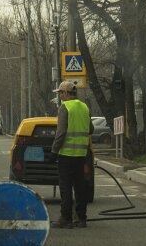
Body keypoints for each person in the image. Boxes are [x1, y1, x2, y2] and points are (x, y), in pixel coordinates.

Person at [50, 81, 93, 229]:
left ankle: (66, 218)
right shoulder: (84, 107)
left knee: (66, 187)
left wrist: (54, 152)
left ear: (67, 93)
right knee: (80, 187)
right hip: (81, 154)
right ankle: (81, 219)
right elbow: (91, 129)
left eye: (61, 93)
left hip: (66, 154)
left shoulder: (65, 107)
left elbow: (60, 133)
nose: (60, 96)